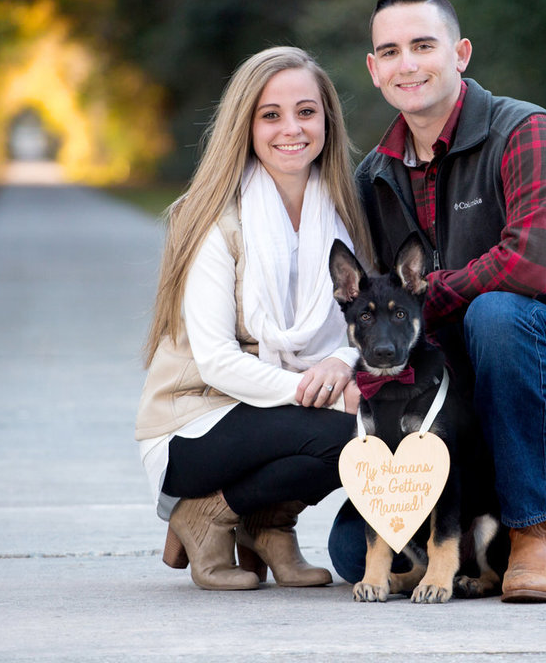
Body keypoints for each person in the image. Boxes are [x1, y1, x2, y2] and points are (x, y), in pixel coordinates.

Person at [329, 0, 546, 603]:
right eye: (390, 51)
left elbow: (530, 267)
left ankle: (538, 527)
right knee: (354, 551)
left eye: (424, 45)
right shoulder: (374, 177)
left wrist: (426, 295)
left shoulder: (528, 132)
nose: (408, 64)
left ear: (461, 53)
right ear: (373, 70)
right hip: (462, 399)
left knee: (498, 312)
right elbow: (372, 303)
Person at [136, 46, 372, 591]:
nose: (291, 128)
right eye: (271, 115)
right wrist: (326, 392)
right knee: (355, 433)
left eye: (306, 112)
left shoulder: (346, 214)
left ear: (327, 120)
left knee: (370, 435)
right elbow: (218, 362)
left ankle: (267, 524)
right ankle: (203, 514)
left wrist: (340, 360)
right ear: (246, 125)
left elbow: (358, 321)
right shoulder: (213, 220)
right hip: (193, 425)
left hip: (276, 414)